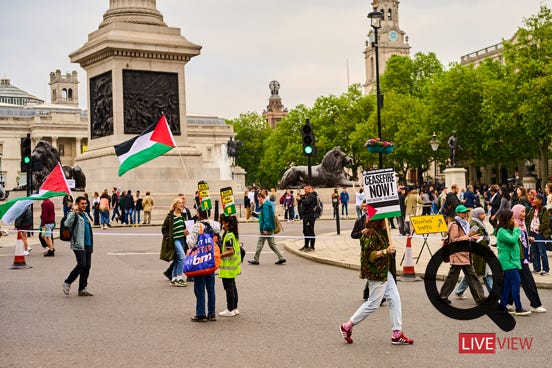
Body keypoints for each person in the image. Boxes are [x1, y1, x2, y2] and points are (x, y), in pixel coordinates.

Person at [339, 218, 413, 345]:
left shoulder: (381, 232)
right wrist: (385, 251)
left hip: (385, 272)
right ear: (379, 222)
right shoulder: (369, 234)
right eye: (386, 222)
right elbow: (370, 256)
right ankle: (347, 326)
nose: (388, 223)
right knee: (373, 303)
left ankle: (397, 333)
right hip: (376, 272)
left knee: (395, 299)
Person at [439, 205, 485, 305]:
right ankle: (443, 296)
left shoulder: (465, 224)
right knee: (455, 277)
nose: (465, 214)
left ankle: (480, 298)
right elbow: (454, 240)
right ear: (458, 213)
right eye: (463, 212)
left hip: (464, 254)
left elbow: (463, 237)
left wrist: (472, 238)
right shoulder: (455, 225)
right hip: (458, 255)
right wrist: (468, 236)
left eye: (466, 212)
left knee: (470, 277)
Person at [187, 208, 221, 322]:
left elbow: (192, 243)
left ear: (198, 214)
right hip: (211, 258)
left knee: (199, 286)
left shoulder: (198, 226)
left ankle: (201, 313)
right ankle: (212, 313)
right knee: (211, 287)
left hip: (201, 259)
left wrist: (187, 235)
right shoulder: (215, 225)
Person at [511, 204, 546, 312]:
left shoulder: (522, 224)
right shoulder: (513, 226)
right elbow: (512, 240)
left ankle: (505, 303)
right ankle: (535, 305)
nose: (524, 214)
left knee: (512, 281)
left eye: (524, 211)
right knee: (528, 282)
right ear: (516, 213)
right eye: (522, 212)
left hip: (523, 257)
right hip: (518, 259)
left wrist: (528, 238)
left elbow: (522, 240)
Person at [496, 210, 530, 315]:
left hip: (512, 261)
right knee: (516, 282)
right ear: (507, 219)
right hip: (507, 261)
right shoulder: (501, 231)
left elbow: (516, 240)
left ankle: (502, 305)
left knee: (507, 284)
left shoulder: (508, 230)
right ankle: (518, 308)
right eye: (511, 218)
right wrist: (516, 228)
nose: (514, 220)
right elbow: (512, 240)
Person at [453, 207, 492, 298]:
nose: (484, 215)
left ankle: (459, 290)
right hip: (477, 252)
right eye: (482, 214)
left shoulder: (479, 223)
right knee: (477, 273)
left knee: (480, 273)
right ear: (478, 215)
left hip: (482, 250)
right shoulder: (474, 223)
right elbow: (475, 235)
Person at [62, 196, 94, 297]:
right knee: (82, 264)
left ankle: (82, 288)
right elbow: (66, 223)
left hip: (88, 244)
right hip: (79, 244)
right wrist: (73, 212)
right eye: (82, 203)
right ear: (77, 204)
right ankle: (67, 282)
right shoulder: (74, 214)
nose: (84, 205)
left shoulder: (84, 214)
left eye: (85, 203)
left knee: (87, 266)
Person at [248, 191, 287, 264]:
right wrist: (256, 215)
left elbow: (266, 218)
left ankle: (256, 259)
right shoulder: (268, 205)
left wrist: (265, 229)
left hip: (266, 228)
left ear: (260, 198)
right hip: (270, 227)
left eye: (258, 199)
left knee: (259, 243)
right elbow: (265, 216)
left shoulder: (265, 206)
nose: (258, 200)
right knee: (272, 244)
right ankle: (281, 257)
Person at [161, 197, 191, 286]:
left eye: (182, 203)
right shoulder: (170, 216)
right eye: (180, 203)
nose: (182, 204)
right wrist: (169, 238)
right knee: (182, 258)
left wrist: (186, 231)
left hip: (182, 240)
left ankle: (174, 278)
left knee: (178, 259)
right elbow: (164, 229)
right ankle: (179, 278)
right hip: (175, 240)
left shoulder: (183, 215)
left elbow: (186, 227)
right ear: (175, 204)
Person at [218, 215, 241, 317]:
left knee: (229, 288)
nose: (221, 224)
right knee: (232, 286)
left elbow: (231, 251)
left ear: (226, 223)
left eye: (222, 222)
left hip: (228, 265)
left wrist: (220, 255)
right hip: (233, 265)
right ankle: (235, 308)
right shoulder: (232, 234)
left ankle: (230, 309)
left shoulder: (228, 236)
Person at [526, 193, 550, 275]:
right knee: (534, 251)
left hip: (540, 234)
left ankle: (546, 269)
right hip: (532, 233)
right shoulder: (532, 209)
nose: (533, 200)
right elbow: (528, 219)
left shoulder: (544, 210)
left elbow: (546, 223)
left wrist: (538, 229)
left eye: (535, 199)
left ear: (540, 201)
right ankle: (536, 268)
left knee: (542, 252)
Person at [298, 185, 317, 252]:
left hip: (310, 216)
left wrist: (301, 199)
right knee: (305, 231)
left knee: (310, 231)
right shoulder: (309, 195)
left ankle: (312, 246)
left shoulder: (312, 196)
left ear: (310, 189)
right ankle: (306, 245)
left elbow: (306, 202)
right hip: (306, 216)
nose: (305, 191)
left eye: (306, 189)